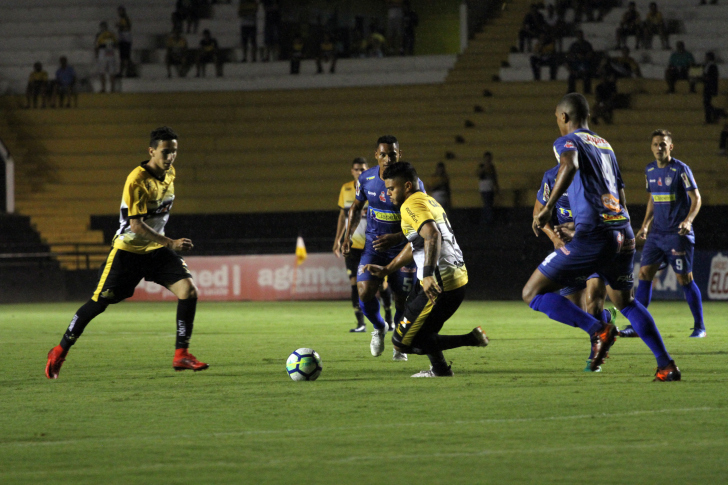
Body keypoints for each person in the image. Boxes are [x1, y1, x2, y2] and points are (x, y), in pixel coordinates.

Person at [523, 93, 681, 382]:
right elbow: (620, 193)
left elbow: (569, 166)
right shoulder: (604, 145)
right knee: (627, 302)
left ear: (564, 117)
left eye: (557, 118)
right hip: (622, 229)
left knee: (532, 293)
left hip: (595, 234)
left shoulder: (568, 141)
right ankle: (666, 365)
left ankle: (599, 330)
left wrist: (547, 210)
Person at [45, 127, 208, 379]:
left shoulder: (170, 173)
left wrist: (164, 245)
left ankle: (181, 354)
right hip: (128, 252)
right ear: (151, 151)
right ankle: (59, 350)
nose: (171, 157)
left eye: (174, 152)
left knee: (188, 291)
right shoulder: (137, 180)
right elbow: (136, 225)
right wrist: (171, 243)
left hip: (155, 251)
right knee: (98, 304)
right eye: (165, 152)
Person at [366, 162, 489, 377]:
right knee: (423, 330)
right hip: (451, 278)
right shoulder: (427, 200)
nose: (388, 194)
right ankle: (440, 369)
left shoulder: (411, 205)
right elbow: (418, 242)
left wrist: (430, 274)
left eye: (391, 188)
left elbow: (433, 235)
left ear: (406, 186)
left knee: (402, 343)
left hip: (439, 282)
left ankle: (470, 339)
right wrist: (387, 269)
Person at [342, 135, 426, 361]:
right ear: (376, 155)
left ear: (400, 154)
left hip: (403, 249)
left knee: (401, 298)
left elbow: (423, 223)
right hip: (374, 247)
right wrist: (347, 235)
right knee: (365, 290)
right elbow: (356, 207)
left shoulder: (412, 182)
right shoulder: (366, 179)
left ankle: (398, 342)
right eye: (384, 154)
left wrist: (397, 236)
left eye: (392, 154)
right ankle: (379, 327)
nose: (388, 158)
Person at [533, 159, 618, 372]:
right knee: (577, 310)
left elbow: (612, 214)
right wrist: (555, 238)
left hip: (595, 244)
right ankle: (606, 320)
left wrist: (577, 230)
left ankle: (595, 358)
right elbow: (538, 212)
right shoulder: (551, 176)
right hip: (569, 251)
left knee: (593, 301)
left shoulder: (595, 176)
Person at [622, 129, 705, 339]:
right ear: (651, 147)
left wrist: (688, 221)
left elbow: (697, 198)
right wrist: (645, 225)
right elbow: (652, 199)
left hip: (677, 233)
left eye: (663, 144)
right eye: (655, 144)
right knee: (643, 274)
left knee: (684, 278)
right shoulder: (649, 170)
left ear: (671, 147)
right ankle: (637, 326)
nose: (659, 148)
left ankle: (699, 327)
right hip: (656, 234)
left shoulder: (681, 169)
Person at [333, 158, 394, 332]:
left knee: (381, 283)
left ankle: (389, 318)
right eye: (357, 169)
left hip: (373, 244)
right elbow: (342, 216)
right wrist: (338, 239)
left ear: (368, 170)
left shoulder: (374, 186)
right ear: (352, 171)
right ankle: (360, 323)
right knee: (354, 284)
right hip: (353, 245)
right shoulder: (345, 189)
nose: (360, 172)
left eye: (363, 169)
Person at [95, 21, 118, 93]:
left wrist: (97, 53)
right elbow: (116, 44)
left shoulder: (105, 34)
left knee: (106, 72)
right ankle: (108, 88)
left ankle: (109, 89)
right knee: (106, 72)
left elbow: (96, 46)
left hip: (105, 54)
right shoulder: (111, 34)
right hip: (109, 54)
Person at [477, 151, 499, 225]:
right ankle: (487, 219)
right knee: (487, 203)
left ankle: (487, 219)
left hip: (490, 187)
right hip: (484, 187)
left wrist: (496, 186)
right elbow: (478, 174)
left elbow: (494, 177)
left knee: (489, 203)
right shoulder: (481, 166)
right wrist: (484, 168)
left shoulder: (492, 166)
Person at [702, 52, 721, 124]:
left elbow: (711, 78)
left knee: (706, 103)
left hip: (709, 87)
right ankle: (713, 115)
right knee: (707, 103)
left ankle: (715, 114)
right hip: (709, 87)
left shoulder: (711, 66)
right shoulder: (710, 66)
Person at [116, 6, 132, 78]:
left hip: (125, 39)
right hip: (122, 39)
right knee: (122, 57)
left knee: (125, 57)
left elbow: (127, 27)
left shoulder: (126, 19)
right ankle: (122, 72)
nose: (119, 13)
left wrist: (120, 26)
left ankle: (127, 72)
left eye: (120, 11)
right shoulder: (122, 19)